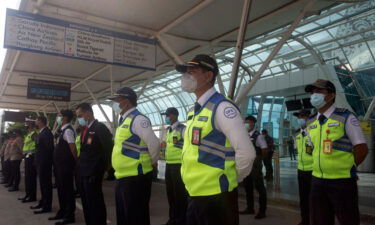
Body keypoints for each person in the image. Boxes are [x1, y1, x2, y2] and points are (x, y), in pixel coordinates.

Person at [176, 54, 255, 225]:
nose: (185, 76)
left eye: (192, 71)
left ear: (208, 76)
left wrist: (233, 179)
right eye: (185, 72)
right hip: (195, 194)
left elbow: (247, 153)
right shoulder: (194, 111)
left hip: (217, 198)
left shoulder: (222, 107)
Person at [305, 79, 368, 225]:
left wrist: (349, 167)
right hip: (317, 181)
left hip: (342, 182)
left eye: (319, 91)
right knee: (319, 220)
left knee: (348, 220)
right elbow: (313, 148)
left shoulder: (345, 117)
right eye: (312, 92)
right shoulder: (310, 121)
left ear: (331, 95)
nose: (314, 95)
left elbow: (362, 149)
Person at [108, 87, 160, 225]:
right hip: (123, 177)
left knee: (136, 217)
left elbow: (154, 143)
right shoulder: (124, 120)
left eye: (116, 100)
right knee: (125, 217)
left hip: (135, 178)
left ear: (126, 101)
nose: (114, 104)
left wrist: (152, 162)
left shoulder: (138, 120)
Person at [75, 103, 113, 225]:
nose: (79, 118)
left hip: (93, 172)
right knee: (86, 203)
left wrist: (105, 170)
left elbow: (109, 149)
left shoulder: (100, 128)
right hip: (83, 171)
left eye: (80, 115)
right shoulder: (86, 130)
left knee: (95, 203)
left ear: (88, 113)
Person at [49, 110, 78, 225]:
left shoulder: (68, 131)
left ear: (65, 118)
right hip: (59, 166)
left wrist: (76, 163)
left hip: (65, 166)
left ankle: (69, 215)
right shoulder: (62, 131)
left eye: (59, 116)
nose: (58, 118)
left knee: (67, 191)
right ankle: (62, 211)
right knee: (61, 190)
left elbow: (73, 149)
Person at [160, 107, 188, 225]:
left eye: (168, 115)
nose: (166, 118)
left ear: (174, 116)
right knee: (170, 193)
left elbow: (187, 146)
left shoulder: (183, 129)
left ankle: (181, 219)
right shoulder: (168, 130)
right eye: (165, 115)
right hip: (169, 164)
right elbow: (169, 144)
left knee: (179, 194)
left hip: (179, 165)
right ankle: (172, 218)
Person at [240, 115, 268, 219]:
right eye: (245, 122)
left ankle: (262, 211)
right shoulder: (244, 135)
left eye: (249, 122)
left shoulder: (258, 136)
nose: (246, 124)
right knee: (248, 188)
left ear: (253, 123)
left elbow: (264, 149)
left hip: (255, 167)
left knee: (260, 188)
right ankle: (250, 208)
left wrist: (258, 159)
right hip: (246, 166)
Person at [293, 109, 313, 225]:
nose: (300, 119)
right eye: (299, 116)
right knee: (303, 198)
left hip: (313, 170)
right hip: (301, 170)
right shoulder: (296, 133)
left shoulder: (314, 131)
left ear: (309, 117)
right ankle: (305, 220)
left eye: (303, 116)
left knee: (315, 198)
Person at [32, 116, 54, 214]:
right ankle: (43, 202)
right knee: (42, 184)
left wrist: (44, 162)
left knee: (46, 185)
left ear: (40, 121)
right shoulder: (42, 132)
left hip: (44, 163)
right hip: (41, 162)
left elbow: (49, 149)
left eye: (36, 120)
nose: (35, 122)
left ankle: (46, 206)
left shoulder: (46, 133)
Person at [19, 121, 38, 202]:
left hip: (31, 157)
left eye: (28, 125)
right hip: (27, 157)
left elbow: (37, 144)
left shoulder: (34, 134)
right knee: (27, 178)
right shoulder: (28, 134)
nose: (27, 127)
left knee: (31, 178)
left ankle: (32, 196)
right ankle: (27, 194)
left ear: (32, 126)